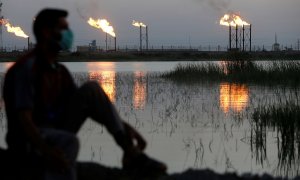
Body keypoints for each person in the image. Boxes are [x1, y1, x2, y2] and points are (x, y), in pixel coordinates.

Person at [3, 9, 166, 180]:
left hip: (55, 129)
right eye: (63, 29)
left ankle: (131, 153)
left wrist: (125, 127)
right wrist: (48, 151)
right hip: (30, 141)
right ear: (46, 32)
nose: (68, 34)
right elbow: (24, 121)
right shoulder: (26, 69)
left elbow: (89, 105)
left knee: (91, 90)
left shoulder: (59, 71)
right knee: (69, 142)